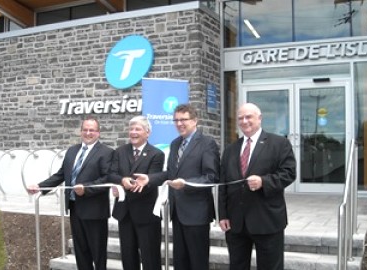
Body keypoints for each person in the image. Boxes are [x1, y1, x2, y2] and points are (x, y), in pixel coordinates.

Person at [134, 104, 220, 270]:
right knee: (181, 262)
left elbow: (211, 176)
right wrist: (150, 179)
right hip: (177, 212)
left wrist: (186, 184)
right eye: (176, 120)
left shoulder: (207, 143)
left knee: (198, 261)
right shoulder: (174, 144)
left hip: (197, 214)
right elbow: (171, 174)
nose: (179, 123)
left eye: (184, 120)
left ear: (195, 121)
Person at [27, 116, 114, 270]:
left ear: (98, 133)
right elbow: (61, 175)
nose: (88, 133)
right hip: (75, 208)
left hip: (95, 211)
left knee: (98, 253)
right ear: (80, 131)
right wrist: (40, 187)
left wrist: (86, 188)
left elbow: (107, 179)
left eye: (92, 130)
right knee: (81, 252)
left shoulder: (107, 152)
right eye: (85, 130)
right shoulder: (72, 151)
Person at [218, 103, 296, 270]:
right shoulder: (230, 150)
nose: (244, 121)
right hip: (236, 223)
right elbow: (223, 184)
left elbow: (289, 174)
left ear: (259, 118)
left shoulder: (279, 143)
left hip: (267, 220)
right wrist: (223, 214)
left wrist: (264, 182)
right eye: (240, 118)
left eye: (248, 117)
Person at [109, 115, 165, 270]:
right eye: (131, 129)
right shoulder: (119, 151)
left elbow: (152, 180)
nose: (133, 132)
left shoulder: (156, 154)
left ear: (147, 133)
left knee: (150, 257)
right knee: (128, 256)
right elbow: (111, 173)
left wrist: (133, 184)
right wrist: (122, 181)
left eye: (137, 129)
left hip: (146, 214)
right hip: (124, 213)